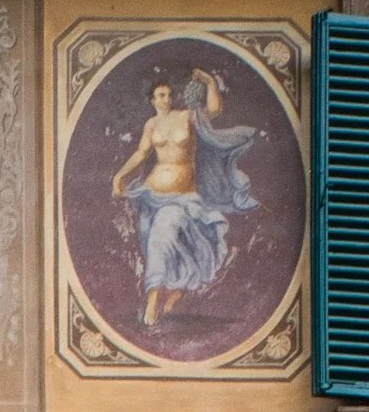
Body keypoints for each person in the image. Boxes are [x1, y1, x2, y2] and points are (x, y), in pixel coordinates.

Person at [111, 70, 259, 329]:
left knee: (160, 241)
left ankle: (152, 300)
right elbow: (142, 153)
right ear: (152, 100)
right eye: (160, 95)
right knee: (154, 249)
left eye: (168, 95)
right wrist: (120, 176)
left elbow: (213, 110)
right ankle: (173, 291)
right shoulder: (151, 125)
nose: (166, 99)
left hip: (181, 198)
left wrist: (210, 83)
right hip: (151, 197)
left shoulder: (186, 117)